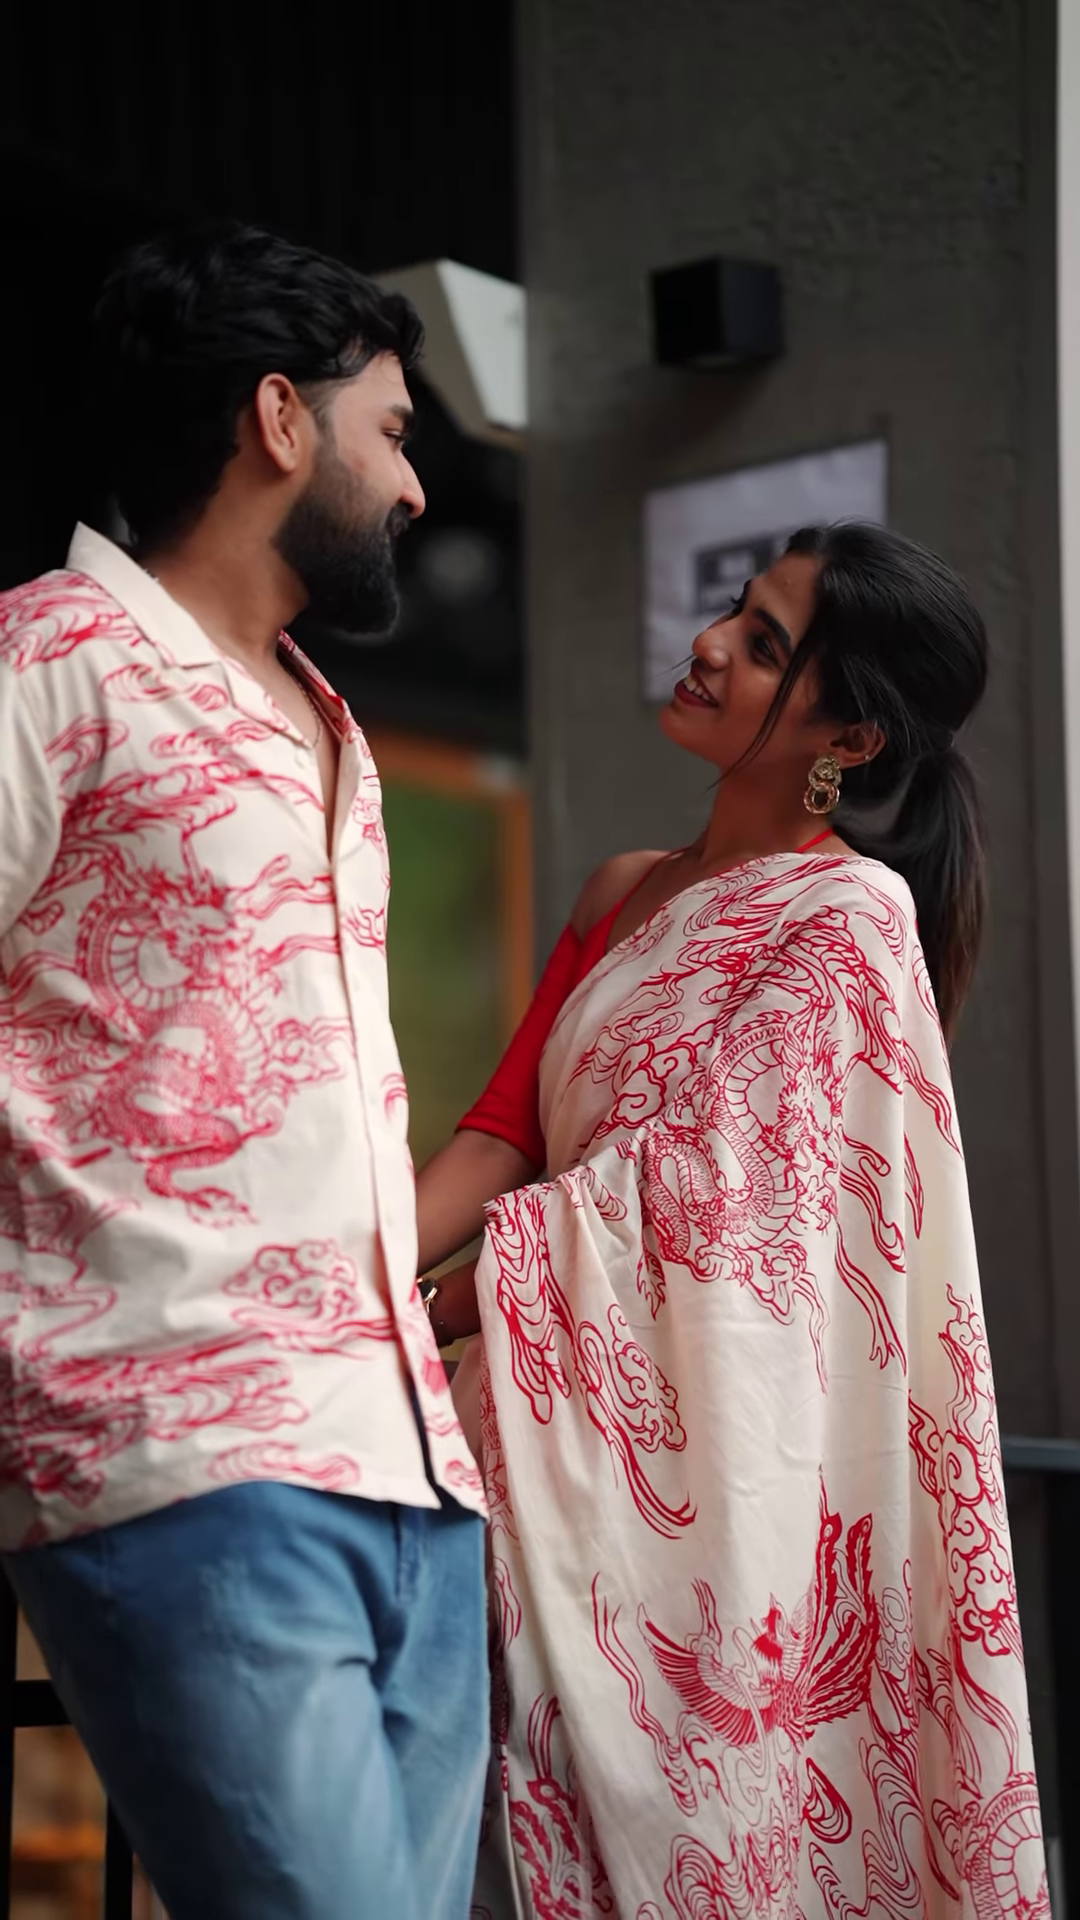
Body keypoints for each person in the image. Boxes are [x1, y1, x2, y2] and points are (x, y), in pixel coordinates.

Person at [415, 524, 1046, 1918]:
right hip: (509, 1413)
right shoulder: (626, 891)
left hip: (680, 1489)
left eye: (765, 646)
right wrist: (338, 1266)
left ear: (854, 737)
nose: (708, 645)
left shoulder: (848, 922)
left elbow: (714, 1211)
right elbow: (504, 1132)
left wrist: (443, 1302)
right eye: (732, 615)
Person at [0, 222, 488, 1920]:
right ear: (280, 421)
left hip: (417, 1483)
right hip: (183, 1454)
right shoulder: (49, 658)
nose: (417, 485)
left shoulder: (326, 720)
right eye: (396, 430)